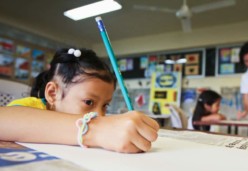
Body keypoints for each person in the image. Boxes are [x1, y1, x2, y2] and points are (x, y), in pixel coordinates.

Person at [0, 48, 159, 153]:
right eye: (89, 102)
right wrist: (95, 130)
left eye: (105, 105)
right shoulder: (31, 107)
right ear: (53, 93)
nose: (99, 115)